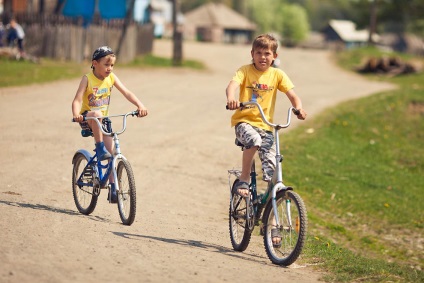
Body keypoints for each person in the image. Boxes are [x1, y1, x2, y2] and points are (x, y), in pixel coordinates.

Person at [226, 34, 307, 245]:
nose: (263, 57)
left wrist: (298, 107)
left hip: (266, 126)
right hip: (245, 122)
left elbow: (293, 95)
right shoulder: (245, 71)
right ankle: (244, 178)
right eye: (259, 53)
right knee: (253, 140)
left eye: (267, 54)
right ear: (252, 54)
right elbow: (232, 85)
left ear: (274, 56)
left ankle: (271, 227)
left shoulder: (277, 75)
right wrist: (232, 99)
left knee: (273, 169)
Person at [72, 46, 148, 203]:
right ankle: (99, 148)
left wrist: (140, 105)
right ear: (95, 63)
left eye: (112, 65)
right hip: (88, 119)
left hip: (103, 121)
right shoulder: (87, 79)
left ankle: (114, 188)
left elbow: (127, 92)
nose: (110, 68)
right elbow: (77, 99)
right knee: (97, 115)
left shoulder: (111, 78)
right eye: (106, 64)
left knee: (113, 153)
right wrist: (76, 114)